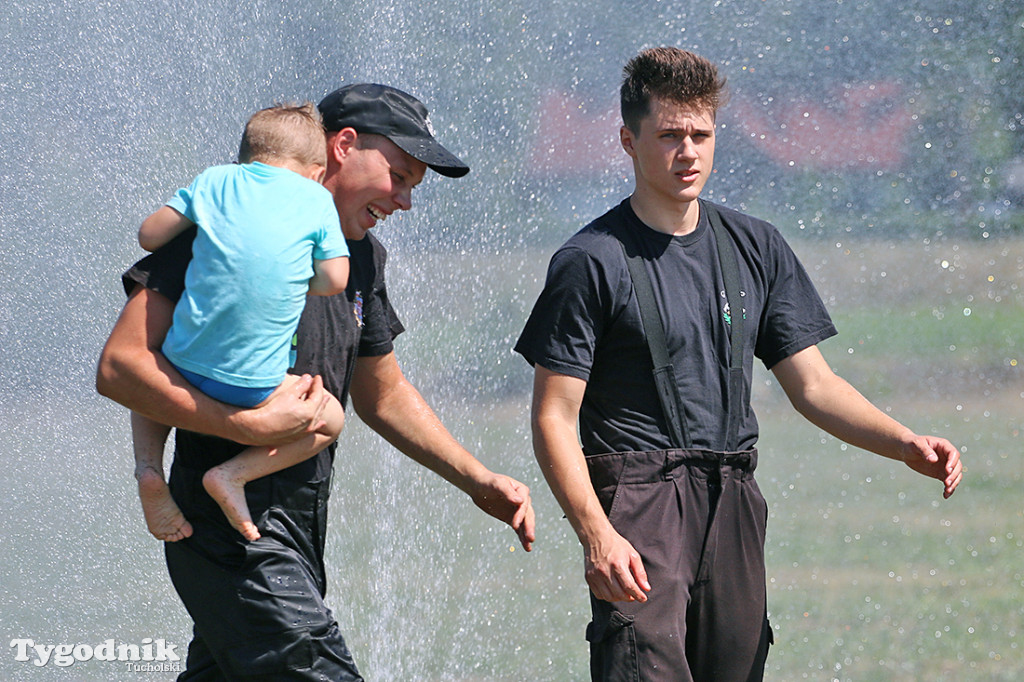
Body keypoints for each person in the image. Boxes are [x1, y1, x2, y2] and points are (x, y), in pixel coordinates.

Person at [515, 47, 963, 681]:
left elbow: (815, 385)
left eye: (701, 134)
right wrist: (597, 535)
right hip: (639, 503)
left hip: (734, 499)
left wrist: (903, 443)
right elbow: (553, 418)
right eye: (669, 135)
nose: (688, 152)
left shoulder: (757, 246)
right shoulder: (590, 260)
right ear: (627, 139)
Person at [97, 83, 535, 681]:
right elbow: (122, 366)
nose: (405, 200)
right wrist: (242, 424)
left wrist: (475, 478)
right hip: (233, 531)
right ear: (343, 146)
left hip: (298, 524)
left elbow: (382, 394)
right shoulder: (224, 224)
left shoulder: (363, 260)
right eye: (399, 175)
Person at [132, 102, 349, 544]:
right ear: (315, 171)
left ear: (246, 157)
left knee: (148, 366)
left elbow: (149, 235)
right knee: (330, 418)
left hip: (183, 366)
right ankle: (232, 474)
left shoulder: (215, 179)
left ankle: (148, 468)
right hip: (254, 387)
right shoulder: (316, 199)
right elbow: (334, 280)